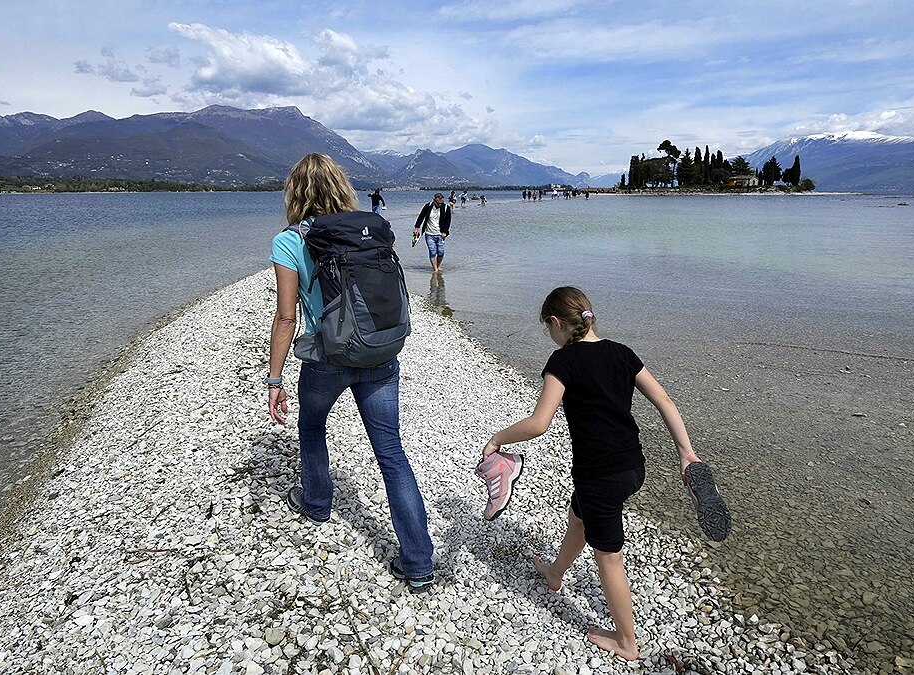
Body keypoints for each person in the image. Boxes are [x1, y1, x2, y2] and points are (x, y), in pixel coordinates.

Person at [479, 286, 728, 660]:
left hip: (600, 476)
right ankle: (555, 572)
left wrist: (497, 439)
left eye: (548, 328)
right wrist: (686, 454)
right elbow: (664, 400)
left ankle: (626, 641)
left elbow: (539, 423)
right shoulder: (622, 353)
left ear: (556, 322)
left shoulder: (563, 362)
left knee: (609, 558)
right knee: (578, 517)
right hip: (632, 466)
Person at [266, 153, 435, 592]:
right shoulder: (368, 232)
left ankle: (317, 502)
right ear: (342, 186)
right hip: (379, 354)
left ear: (294, 193)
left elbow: (286, 317)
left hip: (328, 359)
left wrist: (275, 379)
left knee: (311, 428)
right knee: (391, 453)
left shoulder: (290, 241)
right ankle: (418, 561)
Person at [412, 192, 452, 273]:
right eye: (438, 203)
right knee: (432, 251)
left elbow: (448, 221)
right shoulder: (428, 206)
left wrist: (444, 232)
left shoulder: (446, 208)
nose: (439, 205)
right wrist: (417, 227)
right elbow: (421, 216)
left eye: (441, 203)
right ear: (434, 200)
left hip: (440, 234)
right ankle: (435, 269)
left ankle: (438, 265)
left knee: (441, 252)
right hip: (429, 233)